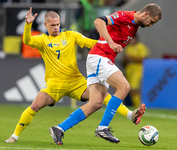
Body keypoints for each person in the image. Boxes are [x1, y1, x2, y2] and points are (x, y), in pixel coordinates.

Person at [5, 7, 143, 144]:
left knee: (102, 97)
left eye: (58, 24)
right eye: (52, 25)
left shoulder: (70, 35)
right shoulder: (42, 40)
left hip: (76, 81)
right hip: (55, 84)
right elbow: (27, 41)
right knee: (35, 106)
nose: (56, 27)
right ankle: (14, 136)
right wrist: (28, 24)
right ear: (45, 25)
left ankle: (130, 114)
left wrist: (110, 45)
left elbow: (91, 43)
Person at [86, 3, 161, 143]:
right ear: (145, 14)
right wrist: (111, 42)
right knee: (124, 87)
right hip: (100, 56)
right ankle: (103, 127)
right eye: (151, 22)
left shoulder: (135, 26)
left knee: (95, 103)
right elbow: (98, 21)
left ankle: (59, 129)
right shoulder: (124, 16)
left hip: (104, 59)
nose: (151, 25)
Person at [122, 34, 150, 107]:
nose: (131, 40)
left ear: (136, 39)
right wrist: (125, 60)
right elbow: (124, 62)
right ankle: (135, 106)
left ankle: (138, 106)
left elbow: (144, 59)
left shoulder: (141, 47)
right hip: (129, 72)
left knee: (134, 90)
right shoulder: (129, 48)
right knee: (130, 90)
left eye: (132, 38)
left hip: (137, 71)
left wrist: (131, 57)